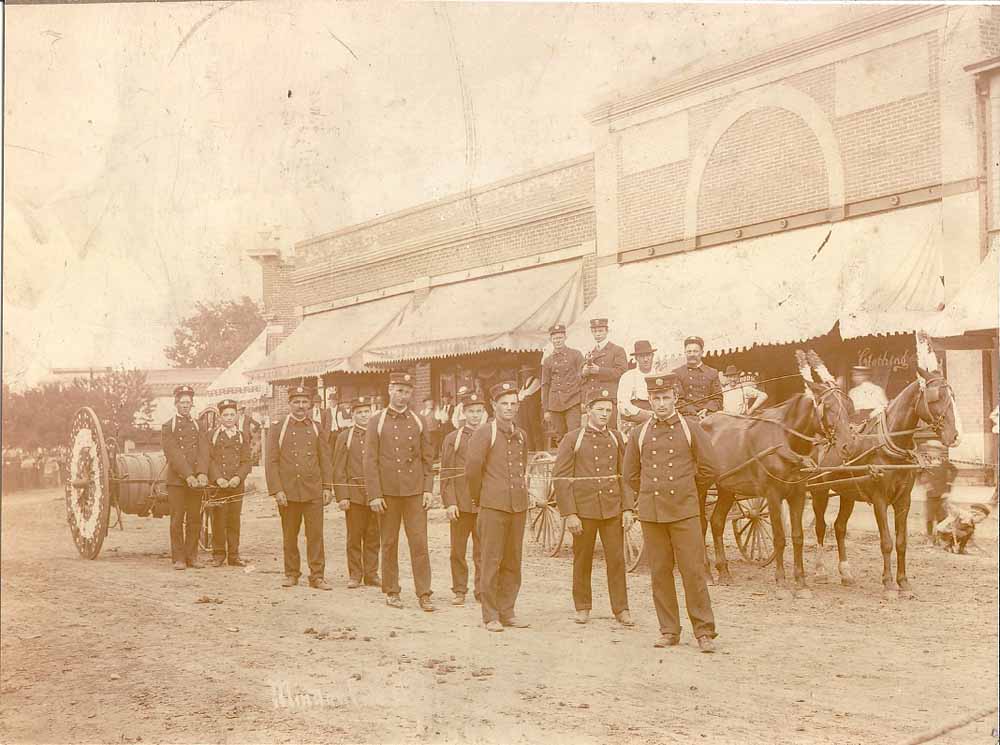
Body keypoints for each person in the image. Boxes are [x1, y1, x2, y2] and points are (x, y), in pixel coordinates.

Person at [622, 373, 719, 652]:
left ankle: (703, 632)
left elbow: (709, 468)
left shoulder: (690, 428)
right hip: (653, 515)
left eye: (666, 398)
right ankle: (669, 630)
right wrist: (653, 494)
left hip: (685, 513)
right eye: (656, 398)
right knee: (660, 573)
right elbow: (630, 474)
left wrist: (688, 489)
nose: (661, 403)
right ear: (649, 400)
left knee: (693, 571)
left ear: (675, 398)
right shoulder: (638, 433)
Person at [553, 388, 633, 627]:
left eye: (608, 410)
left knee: (617, 560)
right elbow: (561, 477)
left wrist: (628, 508)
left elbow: (625, 476)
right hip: (584, 511)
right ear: (588, 411)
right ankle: (583, 606)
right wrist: (570, 513)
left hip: (611, 509)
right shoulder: (573, 439)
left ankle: (621, 609)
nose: (605, 414)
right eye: (600, 410)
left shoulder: (617, 438)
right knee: (583, 558)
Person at [364, 371, 436, 611]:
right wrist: (374, 494)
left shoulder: (419, 421)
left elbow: (428, 459)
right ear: (389, 390)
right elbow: (370, 460)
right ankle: (392, 591)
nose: (402, 396)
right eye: (398, 390)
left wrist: (428, 489)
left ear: (411, 393)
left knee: (419, 542)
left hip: (414, 493)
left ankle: (424, 593)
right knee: (389, 542)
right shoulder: (376, 420)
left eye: (406, 392)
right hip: (387, 494)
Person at [465, 381, 531, 632]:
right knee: (491, 560)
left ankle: (508, 610)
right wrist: (480, 498)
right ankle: (490, 614)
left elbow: (521, 466)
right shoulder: (485, 432)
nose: (509, 408)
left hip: (517, 506)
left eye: (513, 404)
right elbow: (472, 470)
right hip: (492, 506)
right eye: (504, 404)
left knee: (513, 560)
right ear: (493, 406)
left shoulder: (521, 434)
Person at [266, 385, 334, 590]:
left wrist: (327, 487)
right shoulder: (278, 429)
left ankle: (317, 576)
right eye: (296, 402)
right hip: (288, 493)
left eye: (304, 402)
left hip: (313, 491)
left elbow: (325, 459)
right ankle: (291, 573)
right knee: (289, 534)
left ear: (310, 405)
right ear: (289, 404)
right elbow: (271, 461)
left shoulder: (316, 427)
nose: (300, 406)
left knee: (315, 535)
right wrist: (277, 490)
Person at [441, 386, 488, 606]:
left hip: (484, 505)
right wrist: (450, 502)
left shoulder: (490, 434)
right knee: (458, 551)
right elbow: (446, 474)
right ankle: (459, 590)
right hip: (460, 505)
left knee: (483, 551)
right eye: (471, 411)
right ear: (463, 413)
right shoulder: (453, 438)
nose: (475, 415)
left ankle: (482, 590)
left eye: (479, 411)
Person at [333, 396, 381, 589]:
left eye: (366, 412)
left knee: (373, 535)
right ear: (352, 415)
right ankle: (355, 574)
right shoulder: (345, 436)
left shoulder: (378, 434)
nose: (363, 416)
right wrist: (342, 496)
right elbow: (338, 468)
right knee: (354, 536)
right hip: (354, 495)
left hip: (375, 495)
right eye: (359, 412)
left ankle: (371, 574)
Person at [161, 385, 210, 570]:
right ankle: (179, 558)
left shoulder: (199, 425)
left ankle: (192, 556)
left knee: (194, 519)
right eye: (182, 402)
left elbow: (204, 451)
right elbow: (173, 454)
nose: (185, 406)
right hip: (176, 481)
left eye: (188, 403)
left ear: (192, 404)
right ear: (176, 404)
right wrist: (188, 475)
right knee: (177, 519)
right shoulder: (168, 426)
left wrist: (202, 473)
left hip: (196, 481)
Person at [207, 398, 252, 567]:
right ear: (219, 417)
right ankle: (218, 554)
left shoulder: (242, 436)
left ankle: (234, 555)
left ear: (237, 416)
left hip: (235, 485)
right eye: (225, 415)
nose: (229, 418)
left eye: (232, 414)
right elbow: (208, 460)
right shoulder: (212, 436)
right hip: (218, 485)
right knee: (218, 519)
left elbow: (247, 461)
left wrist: (238, 478)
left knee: (234, 519)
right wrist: (218, 478)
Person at [541, 323, 584, 445]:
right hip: (555, 403)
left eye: (560, 337)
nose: (557, 341)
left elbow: (584, 378)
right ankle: (564, 462)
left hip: (573, 400)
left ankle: (577, 463)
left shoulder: (576, 355)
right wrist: (546, 410)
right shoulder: (548, 361)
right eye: (555, 338)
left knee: (574, 434)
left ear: (565, 337)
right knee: (560, 437)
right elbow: (545, 384)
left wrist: (583, 400)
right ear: (551, 340)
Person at [581, 318, 629, 426]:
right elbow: (583, 377)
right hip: (593, 398)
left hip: (609, 398)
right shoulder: (590, 352)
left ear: (607, 331)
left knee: (611, 430)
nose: (597, 334)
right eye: (595, 331)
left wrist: (599, 370)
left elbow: (622, 372)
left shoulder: (617, 350)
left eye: (600, 330)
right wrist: (584, 372)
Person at [672, 336, 723, 419]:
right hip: (686, 415)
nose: (692, 354)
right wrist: (693, 412)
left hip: (708, 414)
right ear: (685, 352)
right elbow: (677, 400)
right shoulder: (677, 373)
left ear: (702, 352)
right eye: (689, 351)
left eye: (695, 351)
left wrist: (706, 409)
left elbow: (718, 398)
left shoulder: (712, 372)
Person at [617, 340, 656, 434]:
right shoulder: (628, 376)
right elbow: (622, 404)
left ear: (652, 356)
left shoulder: (659, 375)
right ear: (636, 358)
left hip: (658, 418)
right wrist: (644, 414)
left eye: (648, 355)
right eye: (642, 356)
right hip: (635, 420)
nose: (646, 359)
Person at [516, 363, 544, 451]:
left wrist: (521, 396)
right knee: (526, 426)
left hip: (534, 407)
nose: (524, 374)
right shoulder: (525, 384)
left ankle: (539, 448)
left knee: (534, 426)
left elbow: (528, 392)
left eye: (525, 372)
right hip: (526, 408)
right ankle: (530, 447)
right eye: (523, 373)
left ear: (530, 373)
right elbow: (520, 395)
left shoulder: (536, 381)